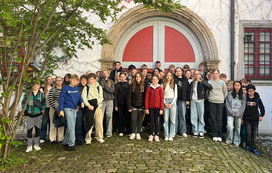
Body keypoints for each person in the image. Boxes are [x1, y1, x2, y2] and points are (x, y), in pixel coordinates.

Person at [59, 74, 85, 151]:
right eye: (72, 80)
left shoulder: (76, 88)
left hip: (74, 109)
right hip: (67, 109)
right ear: (70, 80)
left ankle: (65, 142)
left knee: (70, 126)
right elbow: (61, 98)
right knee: (72, 127)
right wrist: (61, 110)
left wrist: (82, 102)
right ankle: (71, 144)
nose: (74, 82)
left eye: (76, 80)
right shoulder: (65, 88)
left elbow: (79, 97)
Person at [22, 81, 46, 152]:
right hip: (29, 115)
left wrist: (42, 109)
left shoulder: (41, 95)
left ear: (40, 86)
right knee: (29, 130)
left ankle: (36, 144)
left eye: (37, 85)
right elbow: (23, 103)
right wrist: (26, 110)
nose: (36, 86)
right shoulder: (27, 95)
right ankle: (29, 145)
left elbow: (44, 104)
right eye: (34, 84)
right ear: (32, 85)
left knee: (38, 130)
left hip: (38, 115)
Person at [81, 73, 104, 144]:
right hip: (89, 107)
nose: (90, 81)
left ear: (95, 79)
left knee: (99, 122)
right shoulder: (86, 88)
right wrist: (88, 105)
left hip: (97, 106)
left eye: (91, 79)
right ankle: (88, 138)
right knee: (89, 122)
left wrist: (96, 103)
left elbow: (101, 97)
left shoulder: (99, 87)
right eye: (89, 79)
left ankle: (99, 137)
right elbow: (83, 98)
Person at [189, 71, 212, 138]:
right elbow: (190, 92)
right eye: (195, 74)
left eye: (198, 74)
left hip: (201, 100)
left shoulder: (203, 82)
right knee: (193, 117)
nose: (196, 75)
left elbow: (210, 87)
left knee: (201, 116)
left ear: (200, 75)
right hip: (193, 101)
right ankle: (195, 131)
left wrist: (201, 81)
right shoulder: (192, 83)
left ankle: (201, 131)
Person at [243, 84, 265, 156]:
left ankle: (254, 148)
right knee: (248, 133)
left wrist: (261, 115)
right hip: (246, 118)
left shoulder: (257, 98)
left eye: (251, 91)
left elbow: (262, 107)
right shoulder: (245, 98)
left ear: (254, 91)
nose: (250, 92)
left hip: (255, 119)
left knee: (254, 134)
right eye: (248, 91)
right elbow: (242, 108)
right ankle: (247, 145)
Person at [208, 69, 228, 142]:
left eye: (216, 73)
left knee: (219, 118)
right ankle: (214, 134)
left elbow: (225, 92)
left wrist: (222, 98)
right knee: (213, 118)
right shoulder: (209, 82)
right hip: (212, 101)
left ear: (219, 74)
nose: (215, 75)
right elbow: (207, 92)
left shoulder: (222, 83)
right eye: (214, 73)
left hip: (220, 102)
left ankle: (220, 135)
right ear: (212, 74)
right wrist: (209, 98)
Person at [225, 81, 246, 147]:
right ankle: (229, 139)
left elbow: (243, 105)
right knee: (230, 126)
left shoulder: (243, 95)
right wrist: (231, 112)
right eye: (235, 85)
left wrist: (238, 113)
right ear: (233, 86)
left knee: (238, 128)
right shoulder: (230, 94)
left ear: (240, 86)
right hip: (230, 113)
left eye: (238, 85)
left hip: (239, 114)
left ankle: (236, 141)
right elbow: (227, 104)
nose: (236, 87)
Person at [145, 75, 164, 142]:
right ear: (151, 80)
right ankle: (151, 134)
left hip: (157, 107)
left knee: (157, 121)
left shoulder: (160, 88)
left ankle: (156, 134)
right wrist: (146, 108)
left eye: (156, 79)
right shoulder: (149, 88)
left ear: (158, 80)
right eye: (153, 79)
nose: (154, 80)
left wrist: (162, 108)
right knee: (151, 121)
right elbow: (146, 98)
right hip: (150, 107)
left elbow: (162, 98)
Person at [128, 72, 146, 140]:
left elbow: (145, 97)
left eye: (139, 76)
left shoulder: (144, 85)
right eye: (136, 76)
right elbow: (129, 97)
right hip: (133, 106)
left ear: (141, 78)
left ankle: (138, 133)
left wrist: (145, 106)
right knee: (133, 119)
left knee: (140, 120)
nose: (138, 78)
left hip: (141, 106)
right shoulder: (132, 85)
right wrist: (129, 106)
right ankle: (133, 132)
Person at [48, 76, 65, 143]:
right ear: (55, 81)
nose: (59, 82)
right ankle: (53, 138)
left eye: (60, 80)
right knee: (53, 123)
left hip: (62, 107)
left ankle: (60, 138)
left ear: (62, 81)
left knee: (62, 123)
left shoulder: (64, 89)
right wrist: (56, 108)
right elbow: (50, 100)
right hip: (54, 107)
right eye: (57, 80)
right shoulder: (52, 90)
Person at [175, 67, 190, 137]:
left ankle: (182, 131)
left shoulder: (185, 79)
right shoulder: (174, 79)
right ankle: (174, 130)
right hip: (175, 100)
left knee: (182, 115)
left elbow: (188, 90)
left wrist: (187, 100)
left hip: (182, 100)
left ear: (182, 72)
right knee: (175, 116)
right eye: (177, 71)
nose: (178, 72)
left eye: (179, 71)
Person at [114, 72, 131, 136]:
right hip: (119, 104)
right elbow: (115, 95)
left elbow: (129, 95)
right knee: (120, 117)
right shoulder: (117, 84)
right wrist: (115, 105)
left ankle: (128, 130)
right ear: (119, 77)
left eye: (123, 77)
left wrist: (129, 105)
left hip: (127, 104)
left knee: (127, 118)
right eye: (121, 77)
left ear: (126, 77)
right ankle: (121, 131)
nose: (122, 78)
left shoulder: (128, 85)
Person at [100, 70, 115, 138]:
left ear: (108, 75)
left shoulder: (111, 81)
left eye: (106, 73)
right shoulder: (99, 81)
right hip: (102, 101)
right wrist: (103, 84)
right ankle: (100, 132)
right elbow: (100, 88)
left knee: (109, 116)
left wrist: (105, 87)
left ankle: (109, 132)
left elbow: (112, 90)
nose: (104, 74)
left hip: (109, 100)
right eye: (103, 73)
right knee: (100, 116)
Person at [163, 71, 177, 141]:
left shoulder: (174, 85)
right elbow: (162, 95)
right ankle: (166, 135)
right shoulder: (163, 84)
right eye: (167, 76)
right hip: (165, 101)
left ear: (172, 77)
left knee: (172, 120)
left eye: (170, 76)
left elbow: (176, 96)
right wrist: (165, 103)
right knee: (166, 119)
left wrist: (171, 103)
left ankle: (171, 135)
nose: (168, 77)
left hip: (172, 102)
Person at [40, 76, 54, 143]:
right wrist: (42, 108)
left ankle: (50, 137)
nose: (50, 80)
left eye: (51, 79)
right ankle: (42, 137)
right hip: (45, 108)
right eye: (49, 79)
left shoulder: (54, 88)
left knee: (51, 123)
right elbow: (41, 100)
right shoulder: (42, 89)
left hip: (52, 108)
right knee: (44, 123)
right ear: (46, 80)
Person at [75, 75, 88, 145]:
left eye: (85, 81)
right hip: (79, 108)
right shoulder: (77, 88)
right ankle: (79, 139)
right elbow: (74, 98)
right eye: (82, 80)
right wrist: (76, 106)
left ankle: (85, 137)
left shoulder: (88, 87)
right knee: (79, 123)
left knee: (85, 123)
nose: (84, 82)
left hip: (87, 107)